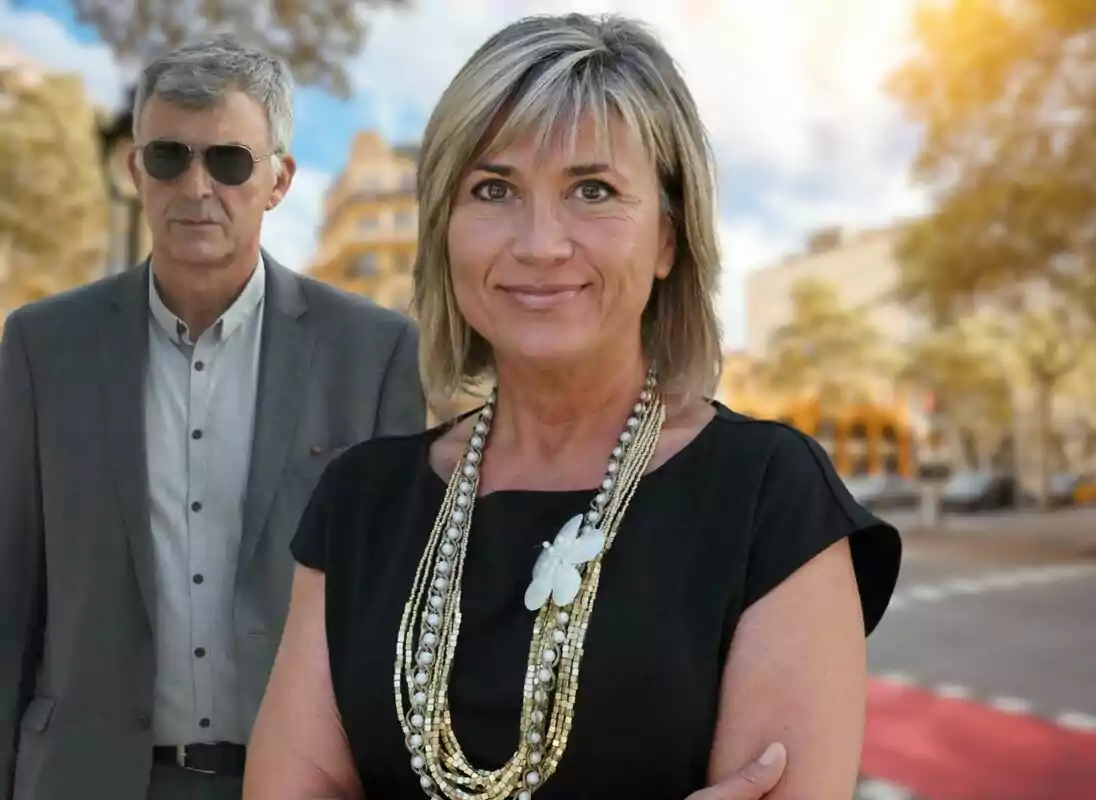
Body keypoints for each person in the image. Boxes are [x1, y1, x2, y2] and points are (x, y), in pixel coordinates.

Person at [245, 13, 901, 800]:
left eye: (593, 190)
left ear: (667, 237)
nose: (542, 243)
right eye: (494, 190)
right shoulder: (358, 502)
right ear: (444, 231)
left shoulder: (769, 496)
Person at [0, 37, 427, 800]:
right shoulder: (42, 346)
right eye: (168, 156)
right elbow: (11, 591)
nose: (196, 186)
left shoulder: (376, 353)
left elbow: (395, 611)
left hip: (296, 783)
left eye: (229, 161)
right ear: (136, 172)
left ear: (278, 179)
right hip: (79, 778)